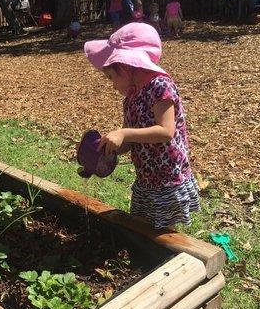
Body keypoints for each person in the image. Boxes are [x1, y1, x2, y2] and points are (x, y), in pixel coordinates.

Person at [83, 23, 200, 229]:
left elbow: (166, 131)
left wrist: (124, 133)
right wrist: (105, 149)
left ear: (126, 66)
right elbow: (130, 141)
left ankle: (169, 257)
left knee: (163, 231)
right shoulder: (131, 98)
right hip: (146, 175)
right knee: (144, 226)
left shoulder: (160, 87)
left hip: (166, 176)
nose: (111, 84)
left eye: (111, 77)